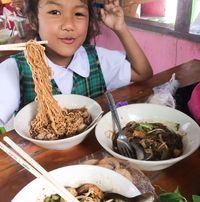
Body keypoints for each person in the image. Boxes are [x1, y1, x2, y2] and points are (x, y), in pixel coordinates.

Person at [0, 0, 153, 127]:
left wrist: (120, 28)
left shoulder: (96, 58)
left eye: (79, 13)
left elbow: (143, 73)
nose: (69, 25)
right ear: (34, 20)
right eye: (55, 12)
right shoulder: (15, 69)